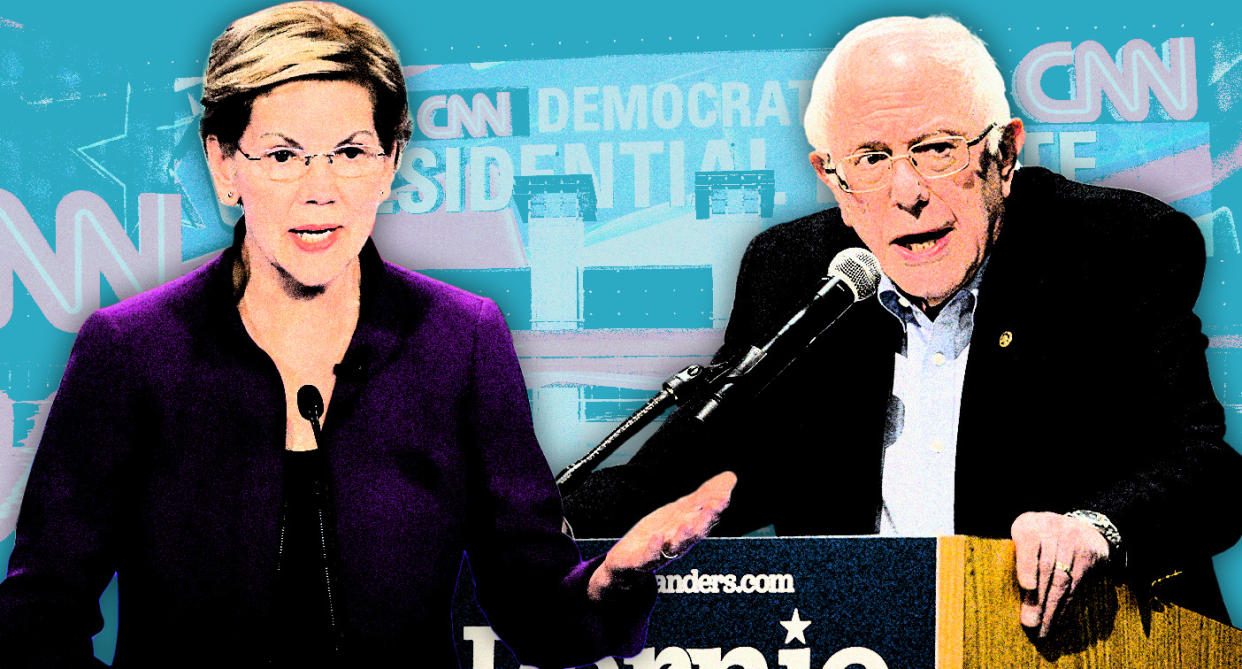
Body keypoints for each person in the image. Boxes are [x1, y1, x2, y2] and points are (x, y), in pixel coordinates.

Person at [0, 3, 734, 667]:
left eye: (351, 152)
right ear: (225, 162)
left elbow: (538, 610)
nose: (320, 189)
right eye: (283, 155)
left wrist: (613, 581)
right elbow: (40, 613)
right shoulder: (132, 351)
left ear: (391, 161)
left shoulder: (459, 341)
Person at [563, 15, 1242, 638]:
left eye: (936, 149)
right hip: (867, 646)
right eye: (871, 158)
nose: (907, 191)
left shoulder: (1115, 248)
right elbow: (682, 476)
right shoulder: (797, 275)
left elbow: (1208, 473)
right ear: (832, 179)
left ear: (1003, 156)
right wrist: (533, 525)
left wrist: (1095, 528)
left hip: (1077, 646)